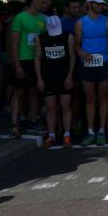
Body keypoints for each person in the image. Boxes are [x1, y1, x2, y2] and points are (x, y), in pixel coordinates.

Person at [75, 0, 108, 146]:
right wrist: (81, 53)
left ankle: (102, 131)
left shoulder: (107, 22)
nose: (100, 6)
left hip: (103, 63)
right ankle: (91, 131)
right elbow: (76, 45)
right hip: (87, 64)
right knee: (90, 99)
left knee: (103, 97)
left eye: (101, 4)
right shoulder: (80, 23)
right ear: (90, 4)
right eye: (97, 4)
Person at [9, 0, 49, 137]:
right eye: (43, 3)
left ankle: (33, 120)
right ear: (35, 0)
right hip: (23, 59)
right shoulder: (20, 18)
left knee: (34, 92)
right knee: (19, 92)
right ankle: (14, 124)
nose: (46, 6)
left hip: (37, 60)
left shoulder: (43, 19)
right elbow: (14, 44)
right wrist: (17, 65)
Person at [34, 15, 75, 148]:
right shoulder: (41, 38)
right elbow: (37, 58)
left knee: (66, 106)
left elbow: (72, 57)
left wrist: (70, 76)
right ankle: (51, 136)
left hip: (64, 76)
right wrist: (39, 79)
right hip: (48, 77)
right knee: (50, 107)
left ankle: (67, 135)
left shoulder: (68, 36)